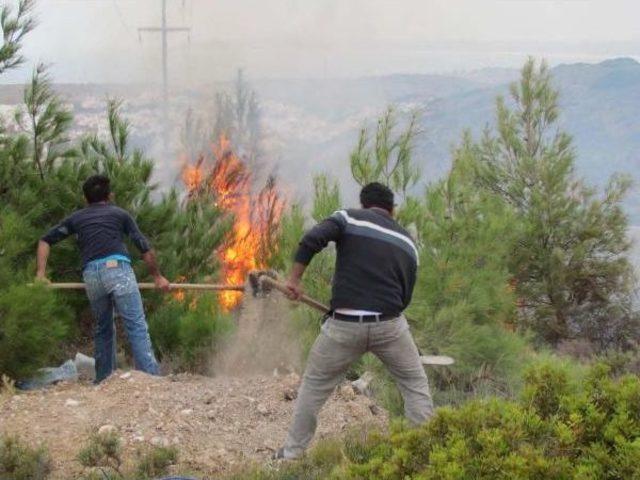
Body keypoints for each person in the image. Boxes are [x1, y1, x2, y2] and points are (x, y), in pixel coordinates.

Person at [275, 182, 434, 460]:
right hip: (390, 326)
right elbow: (405, 297)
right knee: (415, 387)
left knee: (313, 386)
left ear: (364, 204)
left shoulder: (348, 218)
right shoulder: (409, 243)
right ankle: (424, 458)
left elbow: (311, 239)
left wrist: (294, 280)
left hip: (343, 326)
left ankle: (290, 455)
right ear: (392, 210)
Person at [36, 174, 170, 383]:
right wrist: (158, 277)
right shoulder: (120, 214)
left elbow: (45, 240)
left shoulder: (76, 218)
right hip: (117, 270)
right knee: (135, 324)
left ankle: (104, 380)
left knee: (103, 328)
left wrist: (41, 275)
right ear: (110, 196)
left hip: (92, 275)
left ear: (85, 199)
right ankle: (150, 379)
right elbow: (144, 247)